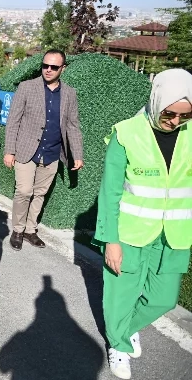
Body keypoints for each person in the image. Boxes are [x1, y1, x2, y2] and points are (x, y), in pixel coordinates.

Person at [93, 69, 192, 380]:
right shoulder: (126, 134)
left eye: (185, 115)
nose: (176, 121)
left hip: (175, 234)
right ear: (156, 100)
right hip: (130, 233)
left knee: (163, 298)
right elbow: (109, 193)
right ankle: (118, 344)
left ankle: (127, 328)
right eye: (170, 113)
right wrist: (111, 240)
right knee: (120, 295)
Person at [3, 50, 84, 250]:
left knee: (40, 193)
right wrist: (9, 150)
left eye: (54, 67)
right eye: (45, 65)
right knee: (23, 191)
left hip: (52, 152)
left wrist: (77, 154)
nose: (48, 70)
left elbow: (73, 125)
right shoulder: (26, 87)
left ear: (62, 69)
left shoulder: (70, 94)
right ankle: (18, 229)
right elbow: (13, 121)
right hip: (26, 149)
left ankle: (31, 230)